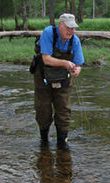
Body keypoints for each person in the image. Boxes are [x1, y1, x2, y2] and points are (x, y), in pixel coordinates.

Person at [33, 13, 84, 150]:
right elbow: (46, 59)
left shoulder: (75, 40)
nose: (71, 31)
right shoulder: (48, 32)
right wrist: (65, 63)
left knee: (64, 109)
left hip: (63, 79)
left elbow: (78, 64)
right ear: (60, 25)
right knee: (43, 108)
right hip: (42, 77)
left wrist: (77, 70)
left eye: (73, 28)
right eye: (68, 28)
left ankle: (62, 143)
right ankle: (44, 141)